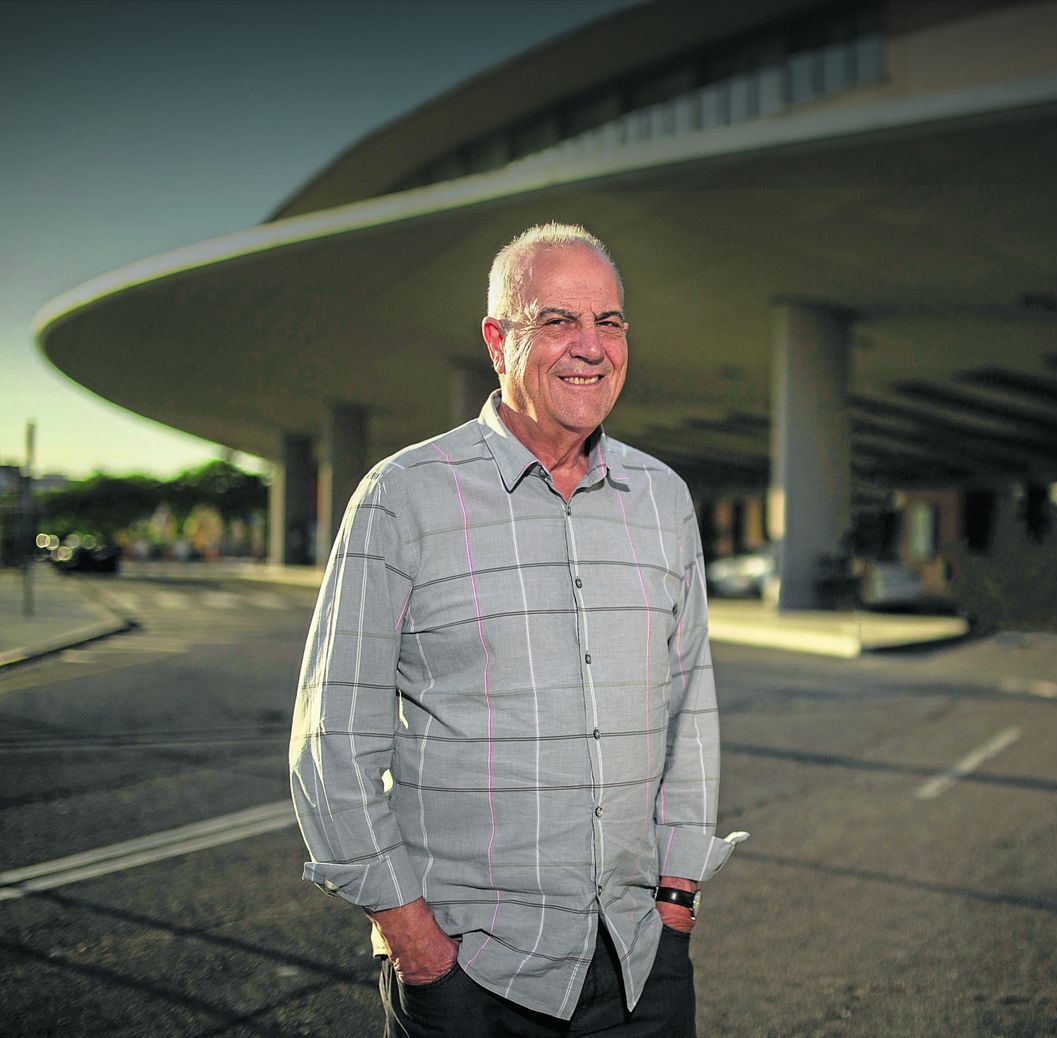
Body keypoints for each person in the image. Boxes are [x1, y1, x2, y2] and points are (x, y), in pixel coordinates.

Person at [290, 222, 745, 1037]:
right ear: (498, 341)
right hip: (473, 981)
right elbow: (331, 746)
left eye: (609, 321)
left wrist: (676, 909)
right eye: (559, 320)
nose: (591, 346)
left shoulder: (664, 498)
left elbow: (691, 718)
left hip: (644, 972)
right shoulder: (403, 497)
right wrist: (418, 948)